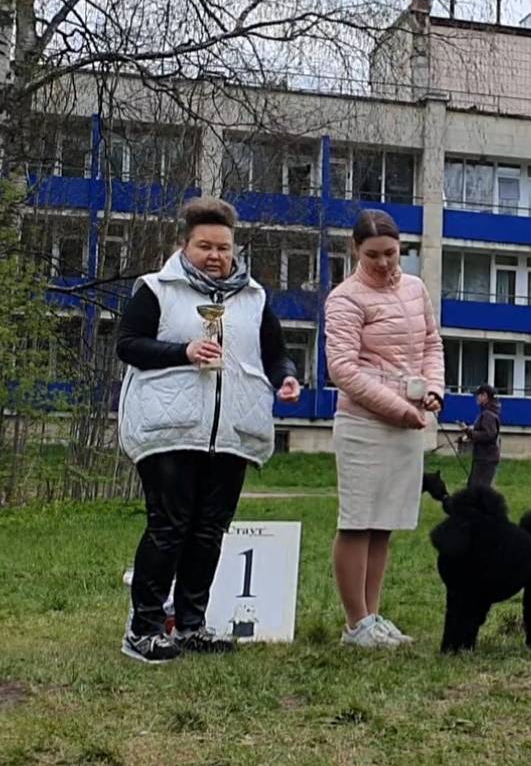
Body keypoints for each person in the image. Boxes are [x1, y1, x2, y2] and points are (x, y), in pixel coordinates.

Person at [116, 197, 301, 663]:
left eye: (224, 248)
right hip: (169, 428)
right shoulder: (157, 289)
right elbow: (128, 345)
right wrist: (183, 352)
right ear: (185, 244)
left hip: (232, 433)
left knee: (209, 532)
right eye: (205, 246)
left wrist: (287, 378)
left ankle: (192, 624)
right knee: (169, 527)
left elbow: (275, 352)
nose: (216, 256)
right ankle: (144, 628)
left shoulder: (254, 297)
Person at [325, 209, 444, 649]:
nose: (383, 263)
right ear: (356, 250)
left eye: (391, 253)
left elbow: (432, 343)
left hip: (408, 421)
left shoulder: (416, 289)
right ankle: (355, 623)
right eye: (373, 254)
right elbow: (342, 369)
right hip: (363, 425)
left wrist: (434, 390)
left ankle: (373, 617)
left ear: (401, 249)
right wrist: (397, 408)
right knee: (357, 522)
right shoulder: (344, 299)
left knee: (384, 524)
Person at [460, 383, 502, 487]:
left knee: (477, 490)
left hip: (486, 459)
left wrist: (469, 432)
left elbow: (489, 435)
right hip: (484, 457)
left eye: (478, 395)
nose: (476, 398)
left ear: (485, 396)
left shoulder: (488, 414)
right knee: (475, 488)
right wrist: (468, 437)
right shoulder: (488, 412)